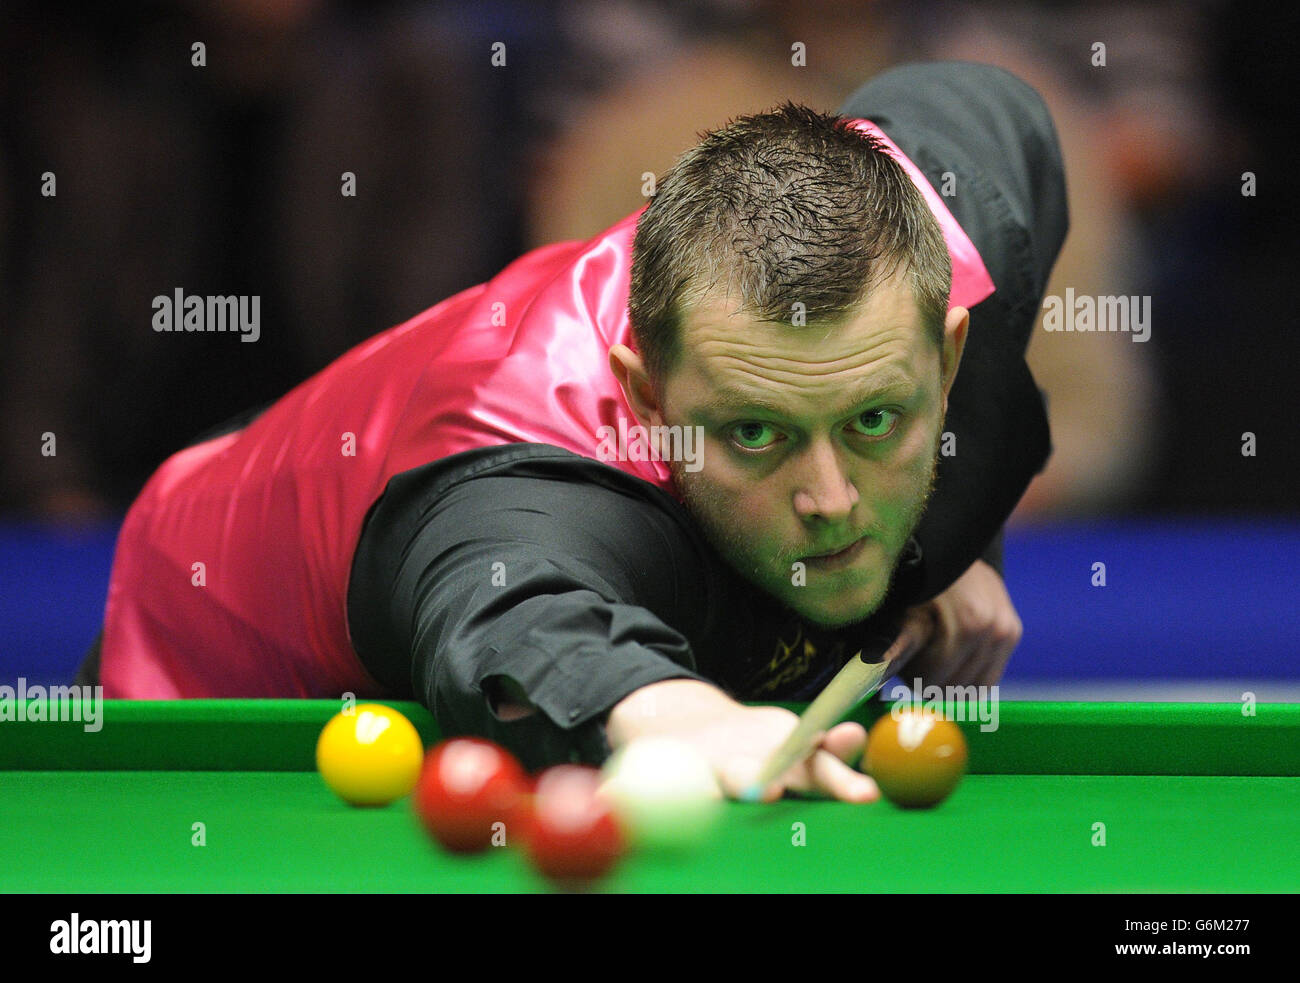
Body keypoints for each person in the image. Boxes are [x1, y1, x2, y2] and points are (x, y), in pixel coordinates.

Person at [86, 62, 1067, 802]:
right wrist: (669, 711)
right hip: (216, 695)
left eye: (873, 421)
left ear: (945, 356)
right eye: (756, 432)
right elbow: (515, 612)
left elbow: (985, 100)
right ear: (646, 391)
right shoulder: (524, 490)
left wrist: (944, 544)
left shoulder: (950, 226)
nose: (832, 499)